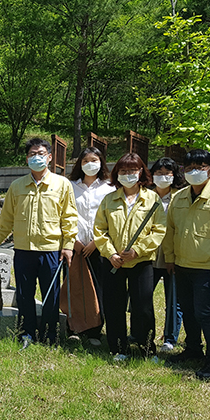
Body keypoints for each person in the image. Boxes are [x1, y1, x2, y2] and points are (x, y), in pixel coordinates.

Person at [0, 138, 78, 346]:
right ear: (27, 158)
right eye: (33, 154)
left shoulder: (62, 185)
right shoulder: (17, 186)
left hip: (51, 251)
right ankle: (26, 334)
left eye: (41, 154)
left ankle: (50, 334)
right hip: (24, 250)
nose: (37, 157)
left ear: (50, 157)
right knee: (25, 295)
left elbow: (69, 218)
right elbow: (7, 219)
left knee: (51, 296)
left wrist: (68, 246)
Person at [163, 149, 210, 379]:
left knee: (206, 313)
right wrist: (170, 257)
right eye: (189, 168)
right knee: (187, 310)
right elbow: (170, 231)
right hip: (182, 264)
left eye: (200, 167)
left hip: (207, 267)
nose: (194, 172)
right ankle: (193, 349)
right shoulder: (179, 197)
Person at [93, 152, 166, 361]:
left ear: (141, 172)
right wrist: (110, 253)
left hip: (141, 263)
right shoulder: (109, 200)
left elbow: (159, 230)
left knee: (143, 306)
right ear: (117, 174)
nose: (128, 175)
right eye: (123, 171)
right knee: (114, 306)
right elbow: (99, 230)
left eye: (132, 170)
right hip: (113, 263)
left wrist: (138, 250)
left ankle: (146, 348)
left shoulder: (152, 199)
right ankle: (118, 348)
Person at [68, 146, 115, 346]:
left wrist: (96, 242)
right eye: (85, 160)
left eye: (94, 160)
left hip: (100, 247)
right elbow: (65, 215)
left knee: (99, 289)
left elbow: (112, 219)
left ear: (102, 162)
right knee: (75, 287)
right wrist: (74, 241)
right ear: (79, 163)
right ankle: (74, 328)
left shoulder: (110, 188)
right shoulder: (69, 186)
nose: (90, 164)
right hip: (75, 246)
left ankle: (95, 330)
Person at [149, 157, 185, 353]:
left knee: (173, 300)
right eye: (159, 173)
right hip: (149, 255)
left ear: (174, 176)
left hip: (172, 256)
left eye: (167, 173)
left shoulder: (180, 198)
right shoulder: (146, 196)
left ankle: (170, 338)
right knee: (143, 296)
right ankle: (143, 332)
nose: (163, 177)